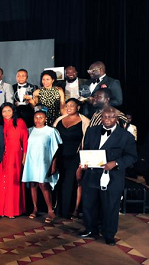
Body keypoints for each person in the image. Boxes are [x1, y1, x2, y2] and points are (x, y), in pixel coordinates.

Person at [78, 107, 137, 246]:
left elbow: (132, 157)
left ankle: (109, 234)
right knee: (89, 204)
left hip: (113, 177)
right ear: (101, 117)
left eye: (111, 117)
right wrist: (84, 162)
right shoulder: (92, 131)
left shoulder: (126, 136)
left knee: (110, 206)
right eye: (105, 117)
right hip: (91, 174)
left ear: (116, 118)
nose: (107, 119)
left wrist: (116, 163)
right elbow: (86, 149)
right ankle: (90, 229)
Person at [22, 106, 63, 223]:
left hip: (44, 162)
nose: (38, 120)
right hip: (31, 161)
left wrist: (54, 164)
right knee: (33, 184)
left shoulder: (51, 131)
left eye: (41, 117)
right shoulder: (29, 131)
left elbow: (56, 149)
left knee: (43, 185)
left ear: (45, 119)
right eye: (36, 117)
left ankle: (50, 210)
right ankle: (35, 208)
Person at [53, 98, 90, 219]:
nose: (69, 108)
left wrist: (82, 161)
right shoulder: (59, 120)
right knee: (60, 182)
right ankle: (59, 209)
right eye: (67, 106)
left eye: (72, 106)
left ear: (78, 107)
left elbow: (87, 143)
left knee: (72, 183)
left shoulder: (85, 122)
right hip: (60, 156)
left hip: (75, 157)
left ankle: (73, 210)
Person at [0, 103, 29, 219]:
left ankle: (13, 210)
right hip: (1, 156)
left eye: (9, 111)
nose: (6, 114)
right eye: (4, 111)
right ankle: (2, 210)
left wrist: (24, 157)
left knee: (13, 182)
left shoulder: (20, 122)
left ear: (13, 111)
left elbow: (25, 141)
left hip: (15, 156)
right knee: (2, 182)